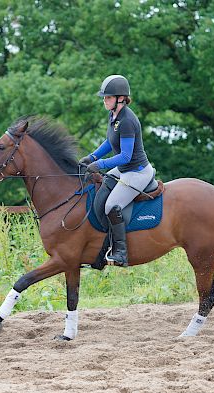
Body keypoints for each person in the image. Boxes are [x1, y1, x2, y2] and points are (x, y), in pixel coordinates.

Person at [79, 75, 154, 267]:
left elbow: (126, 156)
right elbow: (109, 141)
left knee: (111, 205)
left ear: (121, 98)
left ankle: (121, 253)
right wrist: (92, 157)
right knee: (100, 199)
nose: (104, 100)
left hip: (136, 172)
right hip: (123, 170)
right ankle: (102, 251)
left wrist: (101, 164)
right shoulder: (113, 116)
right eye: (104, 97)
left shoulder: (128, 120)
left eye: (108, 97)